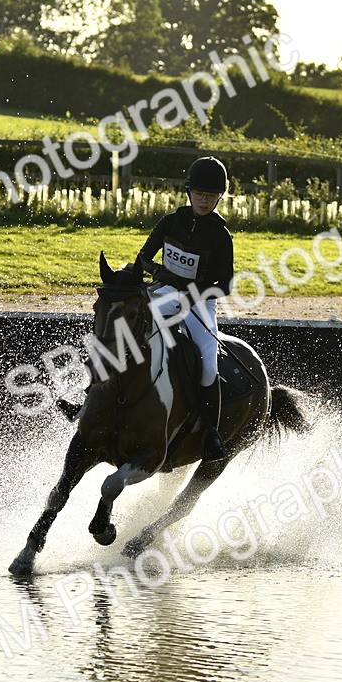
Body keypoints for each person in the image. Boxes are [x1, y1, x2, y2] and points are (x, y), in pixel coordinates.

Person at [135, 156, 234, 460]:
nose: (204, 201)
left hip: (200, 305)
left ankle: (211, 433)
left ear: (219, 197)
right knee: (124, 330)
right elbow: (142, 258)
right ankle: (88, 398)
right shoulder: (170, 222)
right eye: (200, 194)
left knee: (208, 365)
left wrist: (192, 293)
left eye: (211, 196)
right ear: (189, 193)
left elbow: (226, 284)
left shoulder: (220, 235)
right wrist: (159, 273)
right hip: (163, 292)